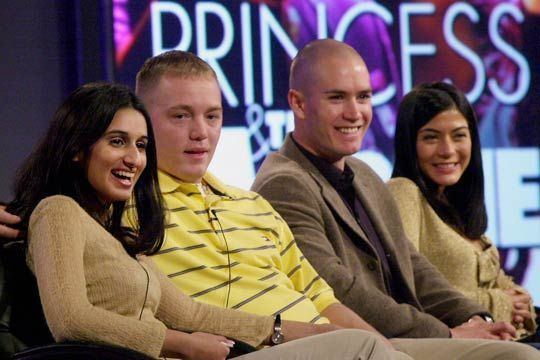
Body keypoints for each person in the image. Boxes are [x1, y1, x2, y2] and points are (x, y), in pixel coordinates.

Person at [5, 82, 401, 360]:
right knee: (360, 350)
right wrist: (182, 345)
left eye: (141, 145)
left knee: (353, 344)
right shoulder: (57, 212)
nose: (134, 159)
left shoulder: (120, 237)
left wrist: (295, 331)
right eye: (117, 141)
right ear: (76, 149)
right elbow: (71, 322)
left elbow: (193, 314)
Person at [252, 38, 540, 359]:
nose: (354, 113)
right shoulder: (284, 183)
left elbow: (414, 266)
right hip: (364, 344)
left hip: (411, 336)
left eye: (363, 97)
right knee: (522, 358)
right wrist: (445, 333)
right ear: (298, 103)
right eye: (337, 98)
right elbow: (337, 289)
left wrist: (474, 317)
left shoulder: (364, 172)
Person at [387, 81, 537, 340]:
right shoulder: (403, 192)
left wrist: (520, 302)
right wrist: (500, 303)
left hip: (508, 341)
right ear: (409, 144)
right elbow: (403, 289)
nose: (447, 151)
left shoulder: (454, 205)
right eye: (431, 137)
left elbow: (502, 287)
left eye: (459, 135)